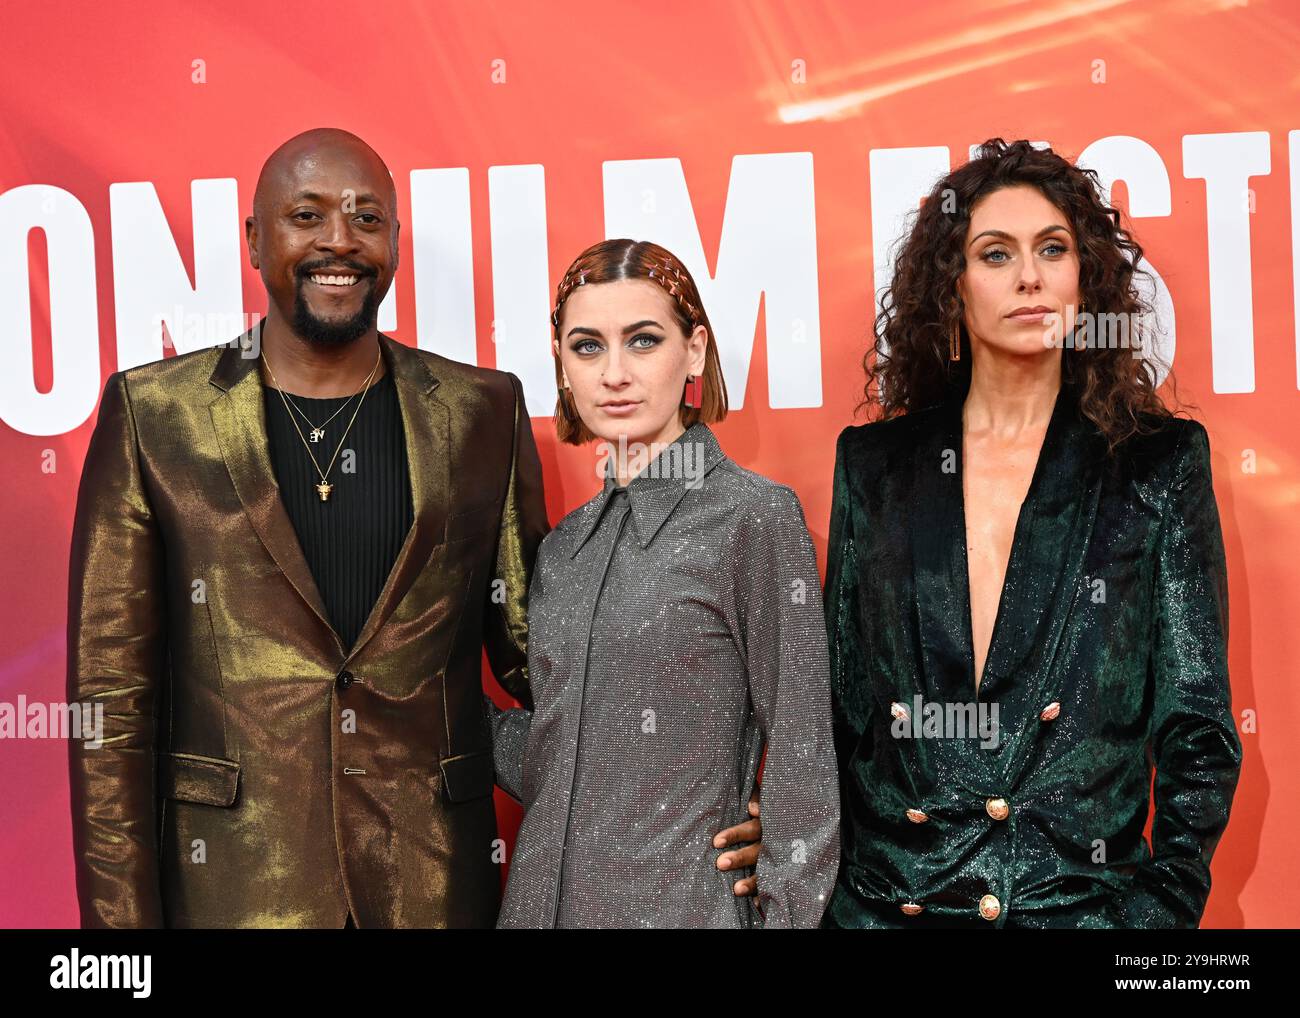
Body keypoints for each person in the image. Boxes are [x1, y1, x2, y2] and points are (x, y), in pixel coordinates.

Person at [65, 128, 551, 927]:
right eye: (307, 215)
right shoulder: (153, 415)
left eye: (366, 217)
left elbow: (545, 664)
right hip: (232, 890)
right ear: (256, 240)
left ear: (394, 240)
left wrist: (689, 782)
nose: (339, 240)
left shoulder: (483, 413)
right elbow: (109, 706)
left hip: (431, 888)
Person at [822, 138, 1242, 929]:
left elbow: (1197, 732)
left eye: (1053, 249)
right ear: (953, 286)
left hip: (1076, 912)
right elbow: (840, 714)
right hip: (886, 908)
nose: (1029, 277)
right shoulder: (874, 467)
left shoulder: (1154, 467)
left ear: (1085, 280)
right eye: (995, 253)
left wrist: (1152, 920)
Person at [488, 239, 840, 928]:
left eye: (642, 341)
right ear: (561, 361)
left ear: (696, 352)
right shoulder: (562, 551)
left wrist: (787, 907)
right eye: (588, 347)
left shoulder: (753, 517)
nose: (614, 373)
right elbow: (561, 759)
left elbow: (803, 748)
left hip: (686, 908)